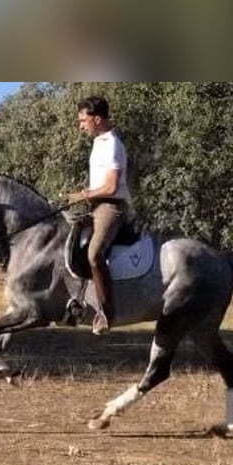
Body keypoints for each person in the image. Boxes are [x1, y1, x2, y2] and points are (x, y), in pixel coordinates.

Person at [68, 95, 132, 335]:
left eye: (83, 120)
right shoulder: (98, 143)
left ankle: (106, 314)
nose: (81, 125)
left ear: (97, 118)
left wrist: (84, 194)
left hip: (111, 207)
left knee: (95, 254)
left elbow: (112, 187)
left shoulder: (112, 144)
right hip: (95, 205)